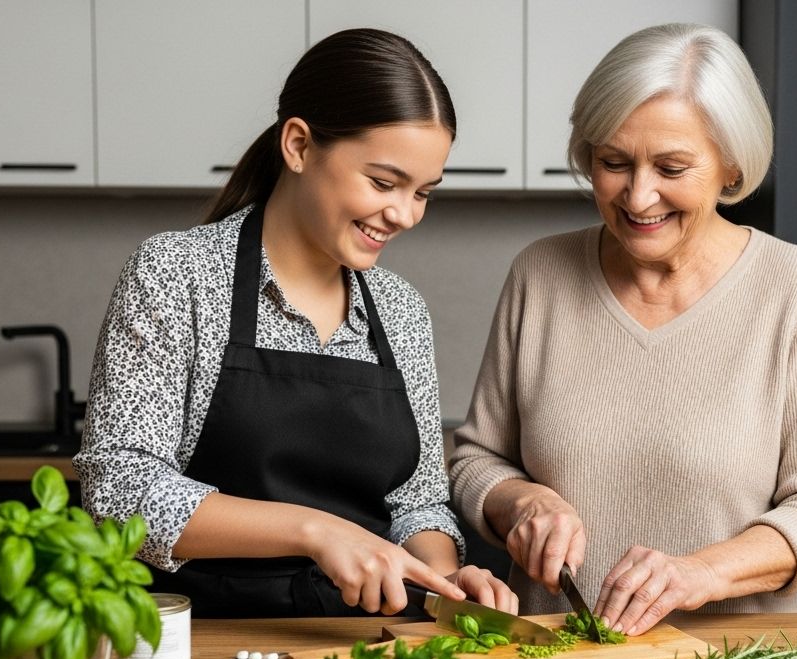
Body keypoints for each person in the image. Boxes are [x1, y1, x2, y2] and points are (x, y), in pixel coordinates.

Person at [76, 28, 515, 619]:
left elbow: (416, 500)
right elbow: (119, 492)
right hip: (198, 640)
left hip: (365, 643)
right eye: (384, 183)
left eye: (423, 193)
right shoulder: (175, 274)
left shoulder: (400, 309)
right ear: (300, 145)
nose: (405, 214)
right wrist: (316, 531)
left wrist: (444, 579)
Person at [449, 23, 797, 635]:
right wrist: (521, 503)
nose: (639, 196)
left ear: (730, 165)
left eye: (671, 167)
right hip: (555, 656)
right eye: (613, 163)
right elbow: (476, 460)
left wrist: (703, 574)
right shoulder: (539, 273)